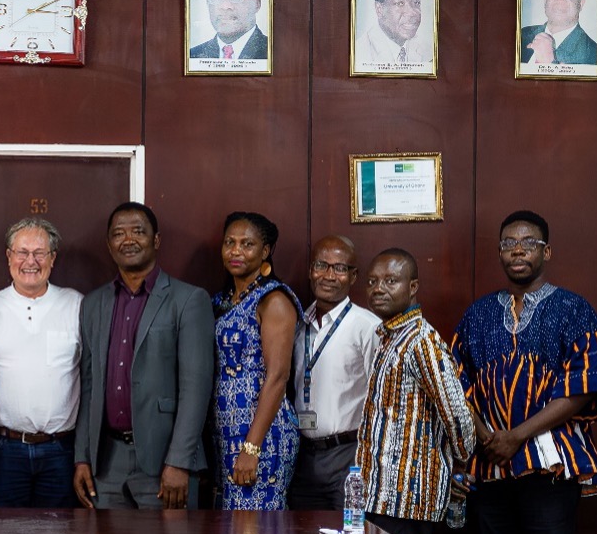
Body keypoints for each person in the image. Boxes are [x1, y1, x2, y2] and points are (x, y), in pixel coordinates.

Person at [451, 211, 597, 534]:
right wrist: (488, 437)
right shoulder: (477, 315)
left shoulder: (573, 309)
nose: (517, 250)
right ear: (499, 253)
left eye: (527, 242)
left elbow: (585, 386)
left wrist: (516, 436)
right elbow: (454, 385)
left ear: (546, 251)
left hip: (550, 466)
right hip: (490, 463)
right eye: (508, 243)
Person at [73, 203, 215, 510]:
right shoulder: (93, 304)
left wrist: (179, 461)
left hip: (165, 462)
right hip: (105, 463)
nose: (128, 240)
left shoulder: (188, 300)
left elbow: (196, 389)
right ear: (109, 244)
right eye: (118, 234)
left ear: (156, 240)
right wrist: (82, 457)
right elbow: (88, 386)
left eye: (138, 231)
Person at [358, 249, 476, 534]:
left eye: (390, 281)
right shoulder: (390, 338)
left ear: (412, 287)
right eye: (372, 281)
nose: (378, 288)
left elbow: (458, 417)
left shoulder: (421, 340)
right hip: (381, 496)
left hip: (406, 501)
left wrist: (456, 463)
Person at [0, 218, 83, 508]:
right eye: (22, 252)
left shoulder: (76, 305)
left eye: (40, 253)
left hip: (60, 452)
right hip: (2, 451)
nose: (30, 261)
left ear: (53, 258)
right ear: (9, 256)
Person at [211, 212, 301, 510]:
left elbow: (278, 376)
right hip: (227, 431)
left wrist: (252, 447)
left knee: (256, 532)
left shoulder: (273, 300)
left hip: (263, 432)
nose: (236, 251)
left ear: (265, 252)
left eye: (247, 244)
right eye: (230, 242)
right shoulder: (222, 300)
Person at [287, 236, 381, 511]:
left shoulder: (367, 327)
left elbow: (382, 401)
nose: (329, 275)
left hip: (348, 458)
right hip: (302, 456)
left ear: (353, 276)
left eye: (339, 268)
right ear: (310, 270)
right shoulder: (298, 323)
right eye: (321, 265)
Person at [188, 0, 268, 60]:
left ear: (257, 4)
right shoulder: (192, 56)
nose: (225, 6)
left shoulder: (275, 52)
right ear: (208, 5)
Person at [521, 0, 597, 65]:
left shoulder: (594, 54)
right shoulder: (522, 35)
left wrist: (549, 63)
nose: (560, 1)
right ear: (545, 1)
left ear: (581, 4)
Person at [354, 0, 427, 64]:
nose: (412, 13)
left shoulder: (429, 51)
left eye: (416, 2)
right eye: (400, 3)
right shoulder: (358, 53)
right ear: (379, 9)